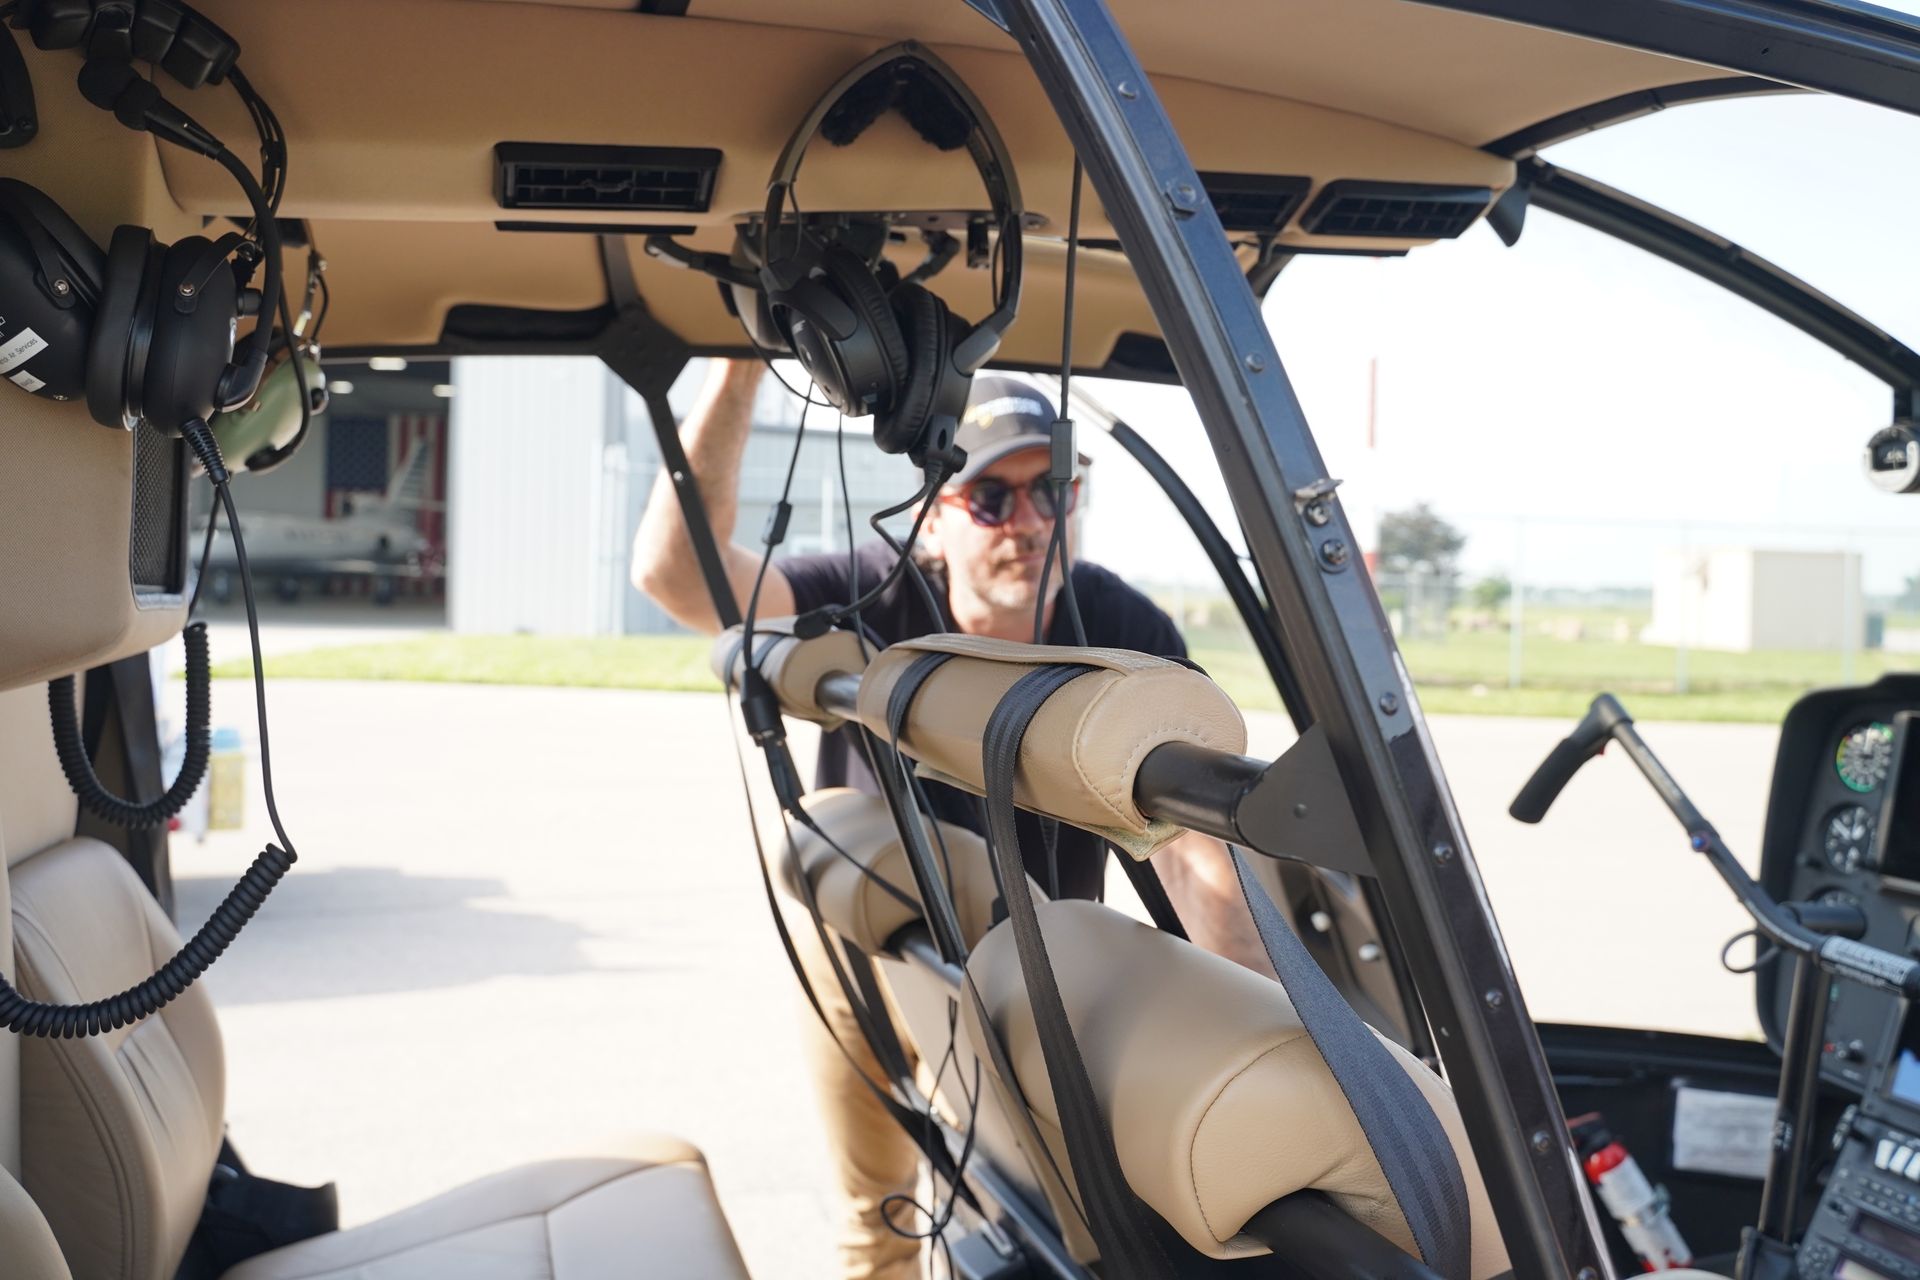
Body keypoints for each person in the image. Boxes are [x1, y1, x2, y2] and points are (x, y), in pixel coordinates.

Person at [632, 358, 1267, 1279]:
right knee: (880, 1221)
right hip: (865, 946)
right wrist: (737, 378)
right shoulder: (867, 591)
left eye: (1053, 488)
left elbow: (1198, 852)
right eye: (993, 500)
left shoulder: (1126, 630)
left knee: (1013, 1223)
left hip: (1023, 974)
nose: (1033, 524)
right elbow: (679, 580)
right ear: (932, 517)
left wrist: (1242, 1032)